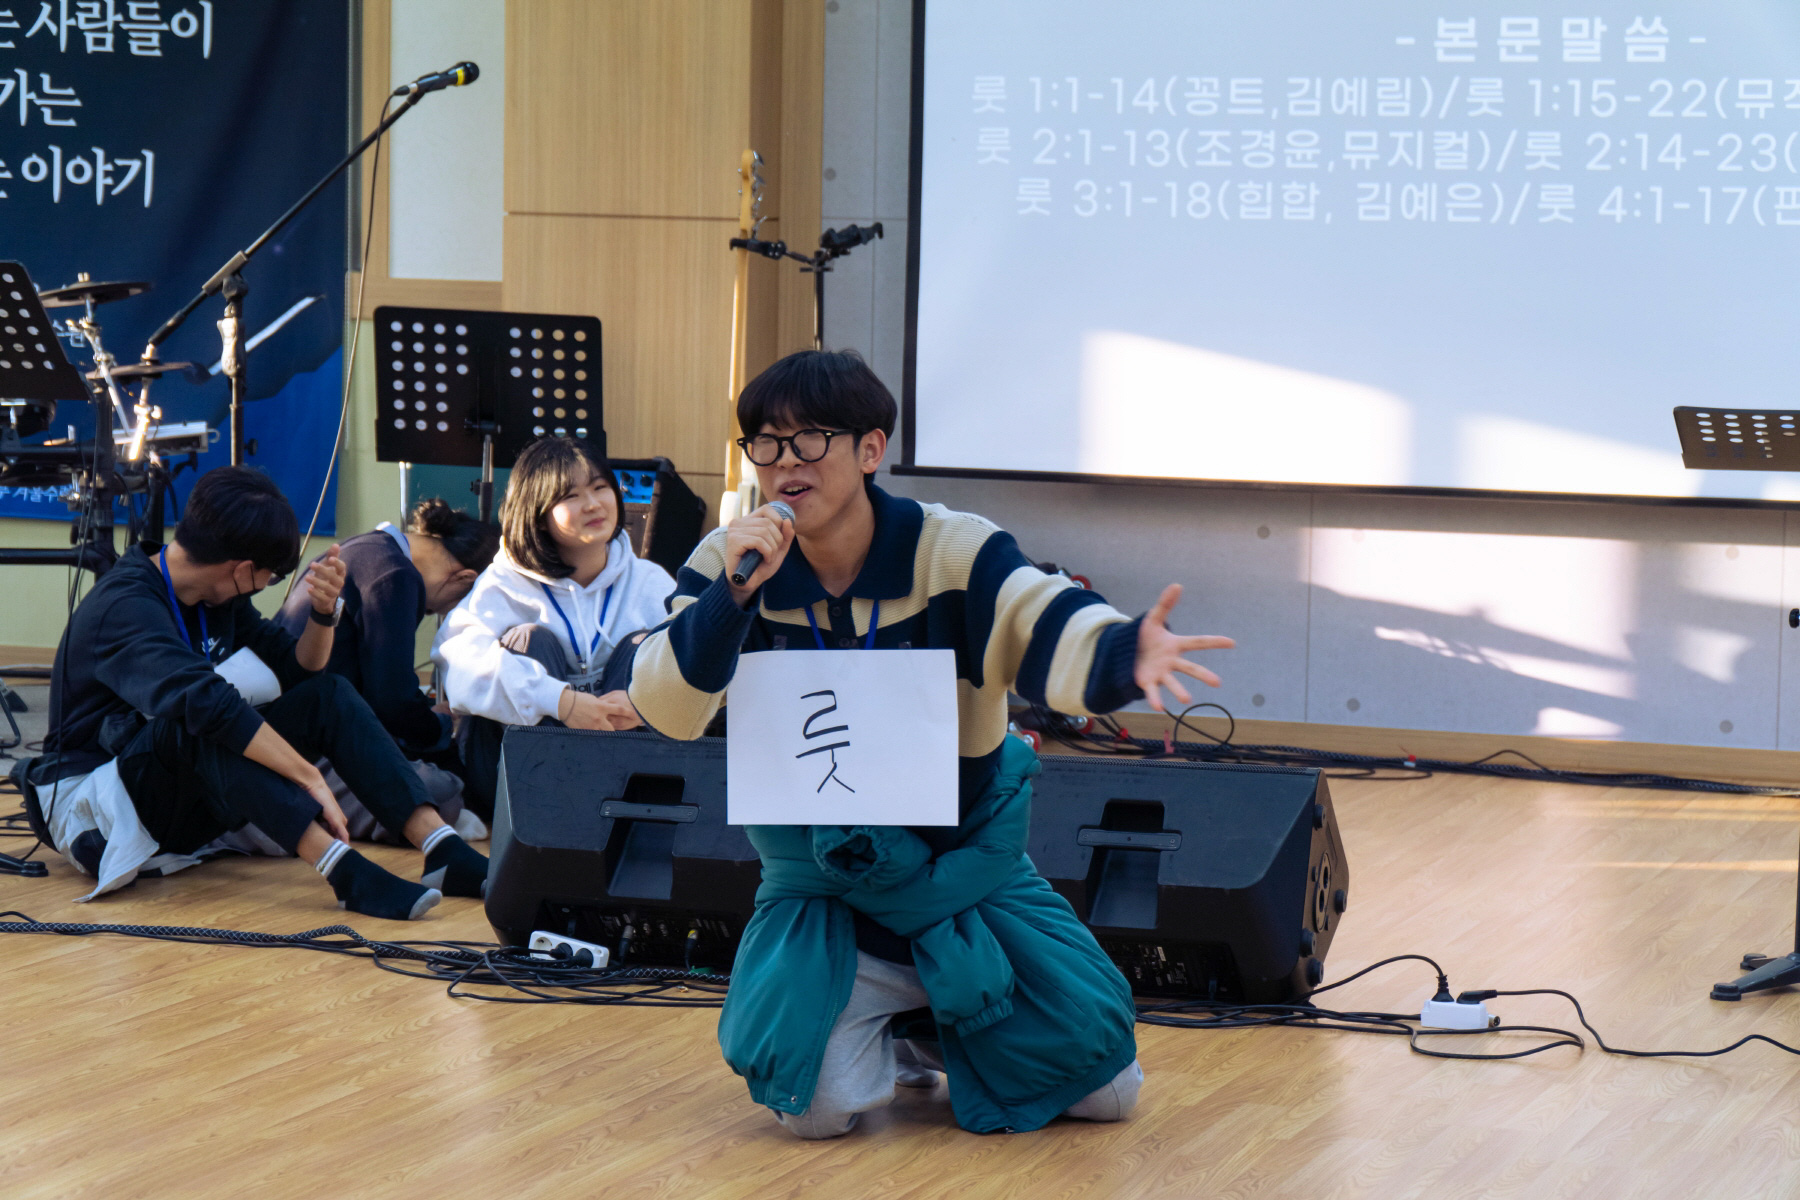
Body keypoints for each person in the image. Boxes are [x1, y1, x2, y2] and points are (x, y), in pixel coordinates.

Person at [628, 350, 1234, 1138]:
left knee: (1107, 1095)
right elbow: (666, 707)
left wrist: (1123, 652)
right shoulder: (730, 558)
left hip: (962, 878)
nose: (784, 462)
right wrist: (734, 592)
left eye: (809, 439)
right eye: (765, 443)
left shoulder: (951, 549)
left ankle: (932, 1026)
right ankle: (893, 1022)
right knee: (813, 1113)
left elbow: (1037, 613)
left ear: (870, 449)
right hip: (827, 891)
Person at [30, 466, 489, 920]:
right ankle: (345, 872)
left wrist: (324, 614)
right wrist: (308, 777)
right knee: (205, 720)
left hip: (169, 793)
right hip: (92, 808)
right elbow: (206, 706)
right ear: (243, 568)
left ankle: (441, 848)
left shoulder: (218, 598)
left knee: (329, 693)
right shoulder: (124, 605)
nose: (267, 585)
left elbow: (299, 670)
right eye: (271, 577)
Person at [434, 436, 677, 820]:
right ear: (537, 513)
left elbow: (700, 661)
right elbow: (461, 663)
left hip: (620, 775)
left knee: (646, 646)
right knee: (530, 639)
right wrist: (560, 702)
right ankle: (543, 816)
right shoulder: (503, 583)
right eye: (571, 496)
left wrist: (646, 704)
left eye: (600, 487)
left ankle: (613, 810)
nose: (593, 504)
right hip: (514, 781)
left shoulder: (649, 581)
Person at [276, 499, 499, 841]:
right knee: (445, 788)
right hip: (310, 747)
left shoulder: (364, 546)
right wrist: (441, 724)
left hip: (288, 727)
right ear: (466, 578)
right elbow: (391, 702)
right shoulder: (395, 575)